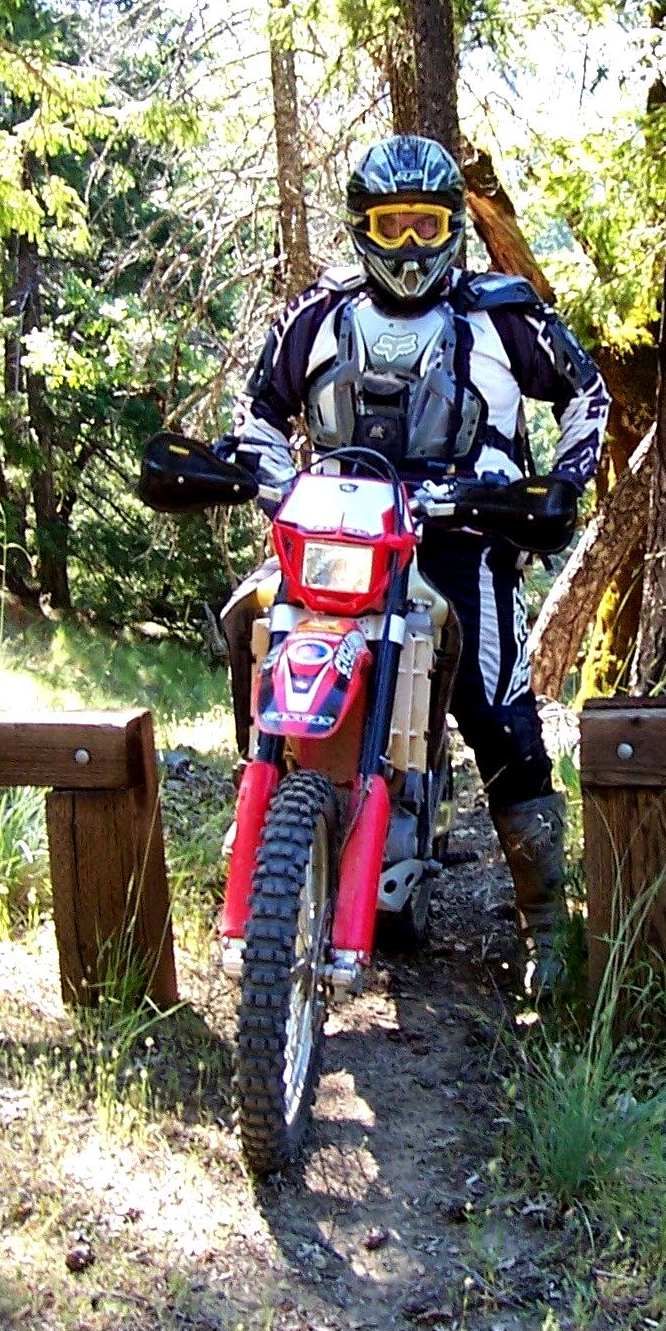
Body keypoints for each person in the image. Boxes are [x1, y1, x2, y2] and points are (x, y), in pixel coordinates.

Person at [218, 135, 611, 990]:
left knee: (498, 714)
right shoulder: (318, 313)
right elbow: (256, 410)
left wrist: (560, 483)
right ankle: (270, 801)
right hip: (336, 534)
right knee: (249, 624)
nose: (407, 245)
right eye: (390, 225)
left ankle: (546, 924)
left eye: (425, 225)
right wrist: (271, 480)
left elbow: (587, 392)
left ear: (453, 228)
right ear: (361, 226)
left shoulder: (502, 315)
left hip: (464, 535)